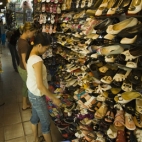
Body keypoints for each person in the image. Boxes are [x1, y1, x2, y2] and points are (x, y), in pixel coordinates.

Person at [26, 32, 61, 142]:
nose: (46, 50)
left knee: (35, 118)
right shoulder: (37, 60)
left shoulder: (31, 55)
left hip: (32, 92)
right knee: (46, 124)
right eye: (46, 48)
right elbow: (40, 86)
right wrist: (53, 97)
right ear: (39, 45)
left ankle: (36, 139)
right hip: (37, 95)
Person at [17, 22, 36, 110]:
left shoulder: (21, 40)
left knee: (26, 86)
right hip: (24, 69)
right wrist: (30, 72)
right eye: (33, 32)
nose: (33, 34)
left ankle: (24, 104)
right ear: (28, 31)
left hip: (21, 67)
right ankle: (30, 104)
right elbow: (24, 60)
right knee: (30, 87)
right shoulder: (24, 44)